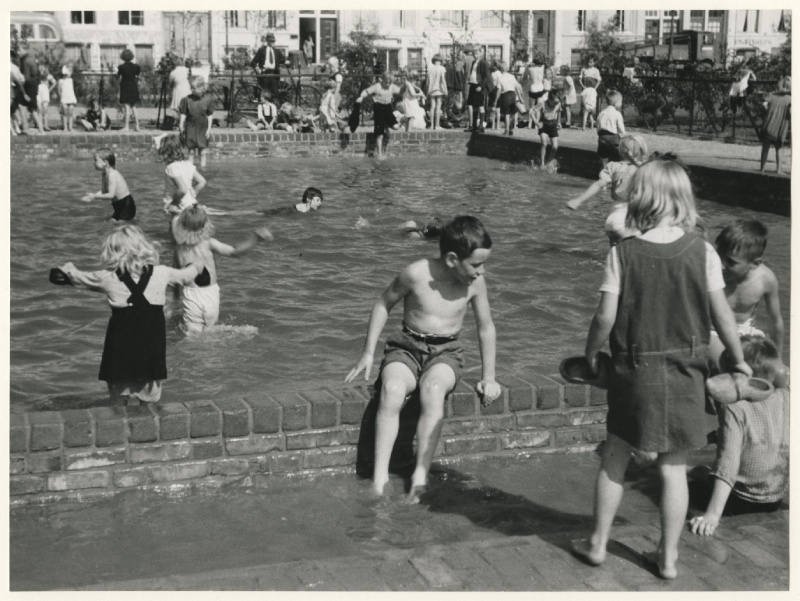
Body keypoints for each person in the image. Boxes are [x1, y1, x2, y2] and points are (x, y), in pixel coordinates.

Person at [571, 155, 750, 580]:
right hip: (687, 369)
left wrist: (592, 355)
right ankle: (667, 559)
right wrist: (738, 359)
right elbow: (722, 314)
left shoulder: (624, 254)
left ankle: (598, 544)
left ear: (640, 197)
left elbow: (604, 318)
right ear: (683, 198)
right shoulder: (702, 250)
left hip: (635, 370)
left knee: (616, 454)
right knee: (673, 467)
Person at [345, 216, 502, 500]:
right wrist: (367, 352)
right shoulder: (416, 274)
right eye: (476, 264)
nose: (481, 271)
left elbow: (485, 327)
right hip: (405, 346)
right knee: (392, 391)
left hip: (446, 353)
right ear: (453, 259)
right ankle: (379, 478)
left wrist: (488, 376)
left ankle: (420, 473)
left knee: (433, 390)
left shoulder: (475, 285)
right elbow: (383, 303)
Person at [57, 225, 202, 404]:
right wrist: (196, 265)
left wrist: (68, 268)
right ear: (143, 248)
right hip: (151, 349)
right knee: (151, 397)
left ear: (110, 254)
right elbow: (185, 276)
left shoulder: (107, 277)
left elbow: (77, 278)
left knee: (118, 400)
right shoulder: (162, 273)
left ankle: (119, 423)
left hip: (119, 350)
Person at [688, 336, 788, 536]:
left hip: (741, 501)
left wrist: (713, 515)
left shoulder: (735, 408)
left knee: (691, 481)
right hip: (775, 498)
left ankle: (683, 468)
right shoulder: (787, 396)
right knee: (701, 471)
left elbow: (728, 465)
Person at [172, 205, 273, 334]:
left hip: (191, 296)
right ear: (206, 225)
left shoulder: (178, 248)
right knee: (209, 331)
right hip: (210, 295)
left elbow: (175, 277)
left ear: (181, 226)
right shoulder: (209, 243)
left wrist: (175, 301)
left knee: (192, 334)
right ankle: (233, 332)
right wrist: (254, 239)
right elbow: (235, 253)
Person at [709, 220, 784, 363]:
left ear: (755, 264)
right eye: (718, 256)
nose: (721, 266)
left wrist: (778, 358)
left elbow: (775, 322)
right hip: (713, 331)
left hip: (745, 331)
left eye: (731, 262)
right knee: (723, 360)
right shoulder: (709, 272)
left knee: (773, 370)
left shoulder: (765, 280)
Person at [566, 134, 649, 245]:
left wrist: (578, 200)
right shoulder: (643, 169)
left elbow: (598, 184)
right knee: (638, 253)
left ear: (620, 151)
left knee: (615, 258)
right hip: (626, 222)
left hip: (611, 221)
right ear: (642, 151)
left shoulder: (613, 166)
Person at [157, 134, 207, 219]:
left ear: (166, 153)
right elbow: (202, 181)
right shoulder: (187, 164)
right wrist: (193, 194)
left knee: (174, 231)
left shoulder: (171, 168)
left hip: (179, 207)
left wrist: (173, 204)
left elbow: (182, 189)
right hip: (191, 205)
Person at [82, 148, 136, 221]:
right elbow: (104, 191)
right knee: (111, 224)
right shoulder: (104, 174)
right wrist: (91, 197)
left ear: (105, 162)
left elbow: (111, 195)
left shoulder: (112, 174)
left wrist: (94, 196)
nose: (93, 162)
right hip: (117, 206)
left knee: (116, 225)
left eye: (95, 160)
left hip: (126, 205)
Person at [357, 71, 401, 159]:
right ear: (382, 80)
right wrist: (361, 97)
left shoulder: (392, 86)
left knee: (396, 127)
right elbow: (366, 91)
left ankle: (386, 123)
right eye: (386, 82)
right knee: (380, 134)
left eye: (390, 83)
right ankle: (379, 154)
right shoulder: (377, 86)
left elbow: (401, 91)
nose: (388, 84)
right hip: (378, 108)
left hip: (388, 108)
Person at [179, 75, 214, 168]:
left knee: (202, 152)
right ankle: (191, 170)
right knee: (191, 151)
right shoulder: (187, 100)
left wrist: (209, 129)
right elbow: (183, 113)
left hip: (202, 127)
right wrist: (181, 124)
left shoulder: (207, 100)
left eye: (194, 88)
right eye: (191, 88)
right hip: (190, 127)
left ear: (201, 88)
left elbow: (210, 115)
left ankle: (203, 169)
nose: (192, 90)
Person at [759, 76, 791, 175]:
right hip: (779, 129)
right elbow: (790, 113)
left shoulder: (772, 96)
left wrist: (766, 109)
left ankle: (762, 169)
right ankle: (779, 170)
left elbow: (763, 104)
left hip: (768, 126)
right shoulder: (790, 100)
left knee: (765, 149)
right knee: (779, 149)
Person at [464, 45, 494, 133]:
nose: (475, 55)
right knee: (473, 106)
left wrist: (481, 86)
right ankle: (473, 126)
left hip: (479, 86)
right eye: (474, 53)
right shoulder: (474, 62)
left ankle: (481, 126)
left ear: (481, 53)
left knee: (480, 106)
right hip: (473, 85)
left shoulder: (483, 63)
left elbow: (487, 76)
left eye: (476, 53)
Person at [251, 33, 288, 101]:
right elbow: (253, 62)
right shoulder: (261, 50)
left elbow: (283, 59)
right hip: (264, 74)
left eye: (274, 41)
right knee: (266, 94)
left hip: (274, 74)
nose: (273, 42)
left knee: (275, 93)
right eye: (271, 41)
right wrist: (257, 68)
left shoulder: (277, 51)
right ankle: (266, 107)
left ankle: (274, 106)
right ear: (267, 41)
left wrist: (286, 61)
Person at [18, 43, 44, 134]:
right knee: (31, 108)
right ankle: (34, 128)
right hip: (34, 86)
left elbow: (26, 77)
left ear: (23, 50)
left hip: (29, 87)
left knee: (29, 108)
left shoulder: (25, 61)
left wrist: (19, 81)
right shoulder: (31, 59)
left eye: (19, 50)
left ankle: (31, 128)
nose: (18, 53)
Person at [493, 60, 524, 136]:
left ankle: (506, 130)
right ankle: (511, 129)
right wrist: (520, 97)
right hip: (513, 95)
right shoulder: (512, 76)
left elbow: (499, 90)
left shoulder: (500, 78)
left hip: (505, 96)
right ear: (506, 68)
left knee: (506, 114)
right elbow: (516, 87)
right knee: (512, 113)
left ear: (500, 70)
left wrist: (496, 100)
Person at [596, 90, 626, 166]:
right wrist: (622, 135)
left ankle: (604, 171)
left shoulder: (602, 113)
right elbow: (621, 128)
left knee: (603, 157)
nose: (621, 103)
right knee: (617, 156)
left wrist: (600, 134)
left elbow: (598, 125)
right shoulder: (617, 114)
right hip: (613, 137)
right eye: (620, 102)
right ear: (616, 103)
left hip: (602, 136)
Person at [117, 48, 141, 132]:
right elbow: (138, 77)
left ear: (123, 57)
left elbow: (118, 77)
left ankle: (126, 127)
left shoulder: (121, 67)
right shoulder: (136, 67)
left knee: (127, 107)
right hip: (133, 86)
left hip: (125, 86)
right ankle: (137, 126)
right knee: (134, 107)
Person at [538, 92, 561, 166]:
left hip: (553, 124)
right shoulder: (542, 104)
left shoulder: (558, 103)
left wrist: (559, 122)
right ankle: (542, 163)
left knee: (555, 146)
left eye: (557, 102)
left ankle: (548, 162)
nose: (556, 104)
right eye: (554, 102)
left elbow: (559, 111)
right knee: (544, 143)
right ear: (550, 100)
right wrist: (537, 122)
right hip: (544, 124)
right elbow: (531, 112)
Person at [426, 54, 448, 131]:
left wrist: (427, 90)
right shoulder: (442, 68)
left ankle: (432, 125)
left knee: (432, 107)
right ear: (440, 61)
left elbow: (427, 81)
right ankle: (437, 125)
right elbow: (443, 80)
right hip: (439, 89)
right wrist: (445, 89)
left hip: (431, 89)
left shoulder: (430, 68)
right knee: (438, 107)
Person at [523, 56, 546, 129]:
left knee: (531, 107)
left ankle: (530, 124)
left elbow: (524, 77)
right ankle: (536, 124)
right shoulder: (542, 67)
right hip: (541, 87)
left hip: (533, 87)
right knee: (538, 108)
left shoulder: (530, 68)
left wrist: (529, 65)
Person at [10, 50, 28, 136]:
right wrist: (24, 93)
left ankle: (14, 130)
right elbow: (21, 80)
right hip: (14, 92)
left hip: (11, 92)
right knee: (12, 111)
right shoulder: (14, 68)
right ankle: (17, 128)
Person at [58, 65, 77, 132]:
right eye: (70, 71)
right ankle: (65, 127)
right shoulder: (60, 81)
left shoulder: (70, 80)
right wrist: (61, 100)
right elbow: (59, 91)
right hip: (64, 99)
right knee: (65, 113)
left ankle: (70, 127)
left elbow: (71, 90)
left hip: (71, 98)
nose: (71, 73)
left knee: (71, 113)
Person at [37, 64, 55, 132]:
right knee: (39, 109)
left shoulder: (48, 76)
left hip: (45, 91)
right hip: (38, 91)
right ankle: (40, 125)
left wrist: (49, 89)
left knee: (45, 109)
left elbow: (54, 82)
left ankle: (46, 125)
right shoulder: (38, 76)